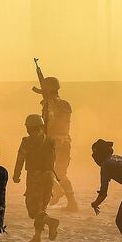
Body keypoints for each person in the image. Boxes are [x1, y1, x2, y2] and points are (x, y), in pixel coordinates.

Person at [13, 114, 60, 242]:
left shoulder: (27, 142)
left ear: (28, 127)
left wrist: (16, 175)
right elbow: (53, 159)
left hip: (35, 177)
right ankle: (37, 237)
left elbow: (20, 159)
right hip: (49, 177)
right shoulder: (50, 140)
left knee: (33, 209)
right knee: (41, 208)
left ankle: (50, 222)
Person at [34, 76, 78, 211]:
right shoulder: (65, 104)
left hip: (53, 142)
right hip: (65, 141)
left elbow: (49, 123)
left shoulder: (49, 105)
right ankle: (72, 203)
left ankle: (58, 190)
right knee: (61, 172)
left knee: (44, 169)